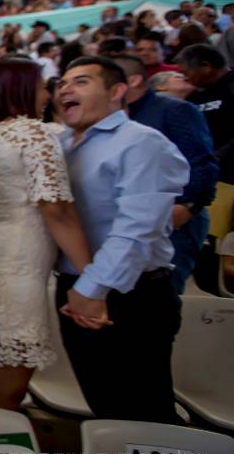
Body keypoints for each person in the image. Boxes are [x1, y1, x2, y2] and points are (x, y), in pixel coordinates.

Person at [0, 59, 93, 409]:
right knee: (5, 393)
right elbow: (57, 210)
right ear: (25, 90)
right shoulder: (34, 133)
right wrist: (91, 276)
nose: (49, 93)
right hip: (15, 267)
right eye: (45, 85)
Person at [53, 56, 188, 423]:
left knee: (146, 411)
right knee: (106, 406)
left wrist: (92, 289)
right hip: (74, 288)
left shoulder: (141, 143)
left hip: (131, 295)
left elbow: (137, 228)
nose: (65, 89)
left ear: (117, 91)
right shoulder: (59, 143)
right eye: (62, 83)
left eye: (81, 81)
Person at [113, 54, 218, 294]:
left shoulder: (174, 109)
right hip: (132, 222)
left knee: (162, 295)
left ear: (133, 81)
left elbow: (201, 163)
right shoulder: (113, 117)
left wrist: (187, 207)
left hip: (175, 218)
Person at [177, 44, 234, 182]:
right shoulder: (195, 92)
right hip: (209, 169)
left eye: (186, 73)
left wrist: (220, 155)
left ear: (206, 66)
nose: (185, 78)